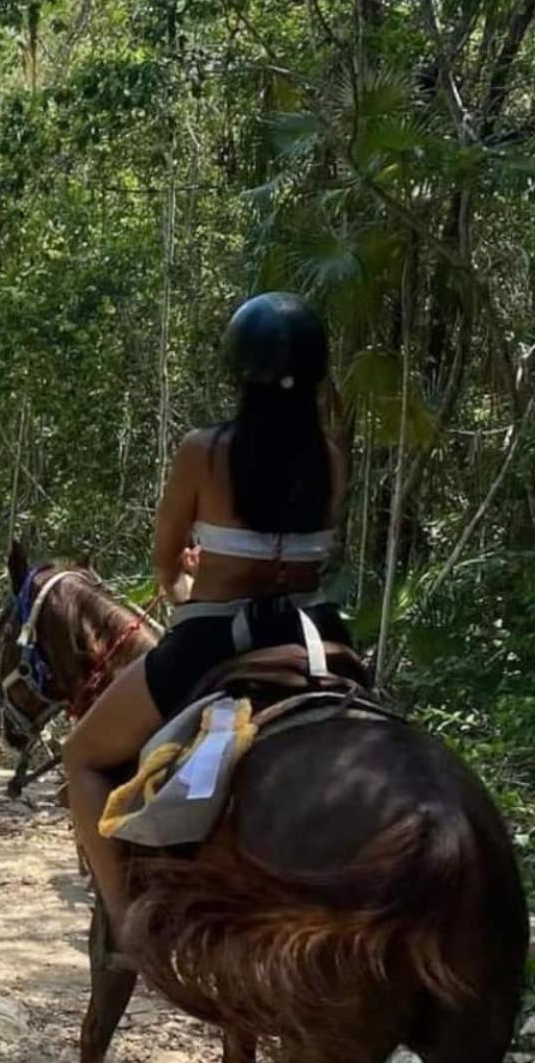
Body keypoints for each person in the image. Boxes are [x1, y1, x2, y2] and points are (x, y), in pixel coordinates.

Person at [61, 291, 352, 951]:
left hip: (216, 636)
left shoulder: (204, 451)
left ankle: (125, 927)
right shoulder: (330, 457)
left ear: (237, 371)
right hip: (316, 636)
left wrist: (192, 581)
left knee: (82, 756)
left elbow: (168, 569)